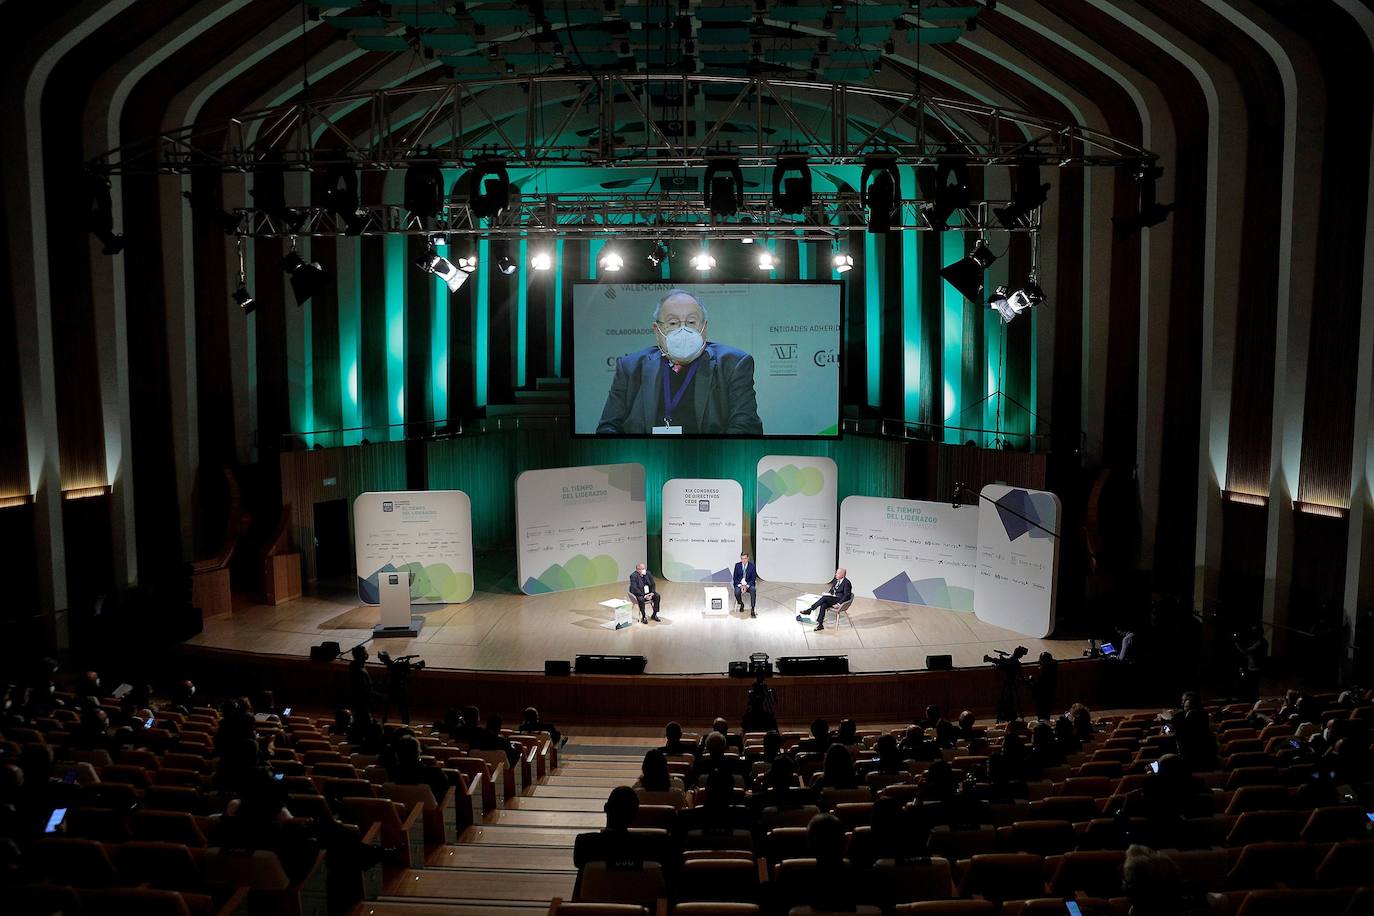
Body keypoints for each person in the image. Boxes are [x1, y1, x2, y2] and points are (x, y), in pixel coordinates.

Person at [596, 289, 763, 435]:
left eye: (691, 322)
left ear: (704, 327)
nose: (683, 330)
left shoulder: (734, 364)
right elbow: (608, 428)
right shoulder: (630, 367)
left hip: (709, 460)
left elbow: (746, 428)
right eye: (673, 323)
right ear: (657, 331)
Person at [1032, 652, 1058, 721]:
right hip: (1049, 696)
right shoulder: (1052, 669)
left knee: (1042, 714)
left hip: (1042, 697)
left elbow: (1039, 685)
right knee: (1046, 714)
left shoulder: (1045, 673)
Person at [732, 552, 758, 617]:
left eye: (745, 558)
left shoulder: (752, 566)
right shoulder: (737, 565)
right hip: (739, 584)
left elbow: (753, 578)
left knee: (753, 590)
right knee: (737, 592)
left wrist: (746, 586)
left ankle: (752, 608)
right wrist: (741, 586)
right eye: (742, 559)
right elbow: (735, 577)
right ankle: (741, 603)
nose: (743, 560)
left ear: (748, 558)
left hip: (749, 585)